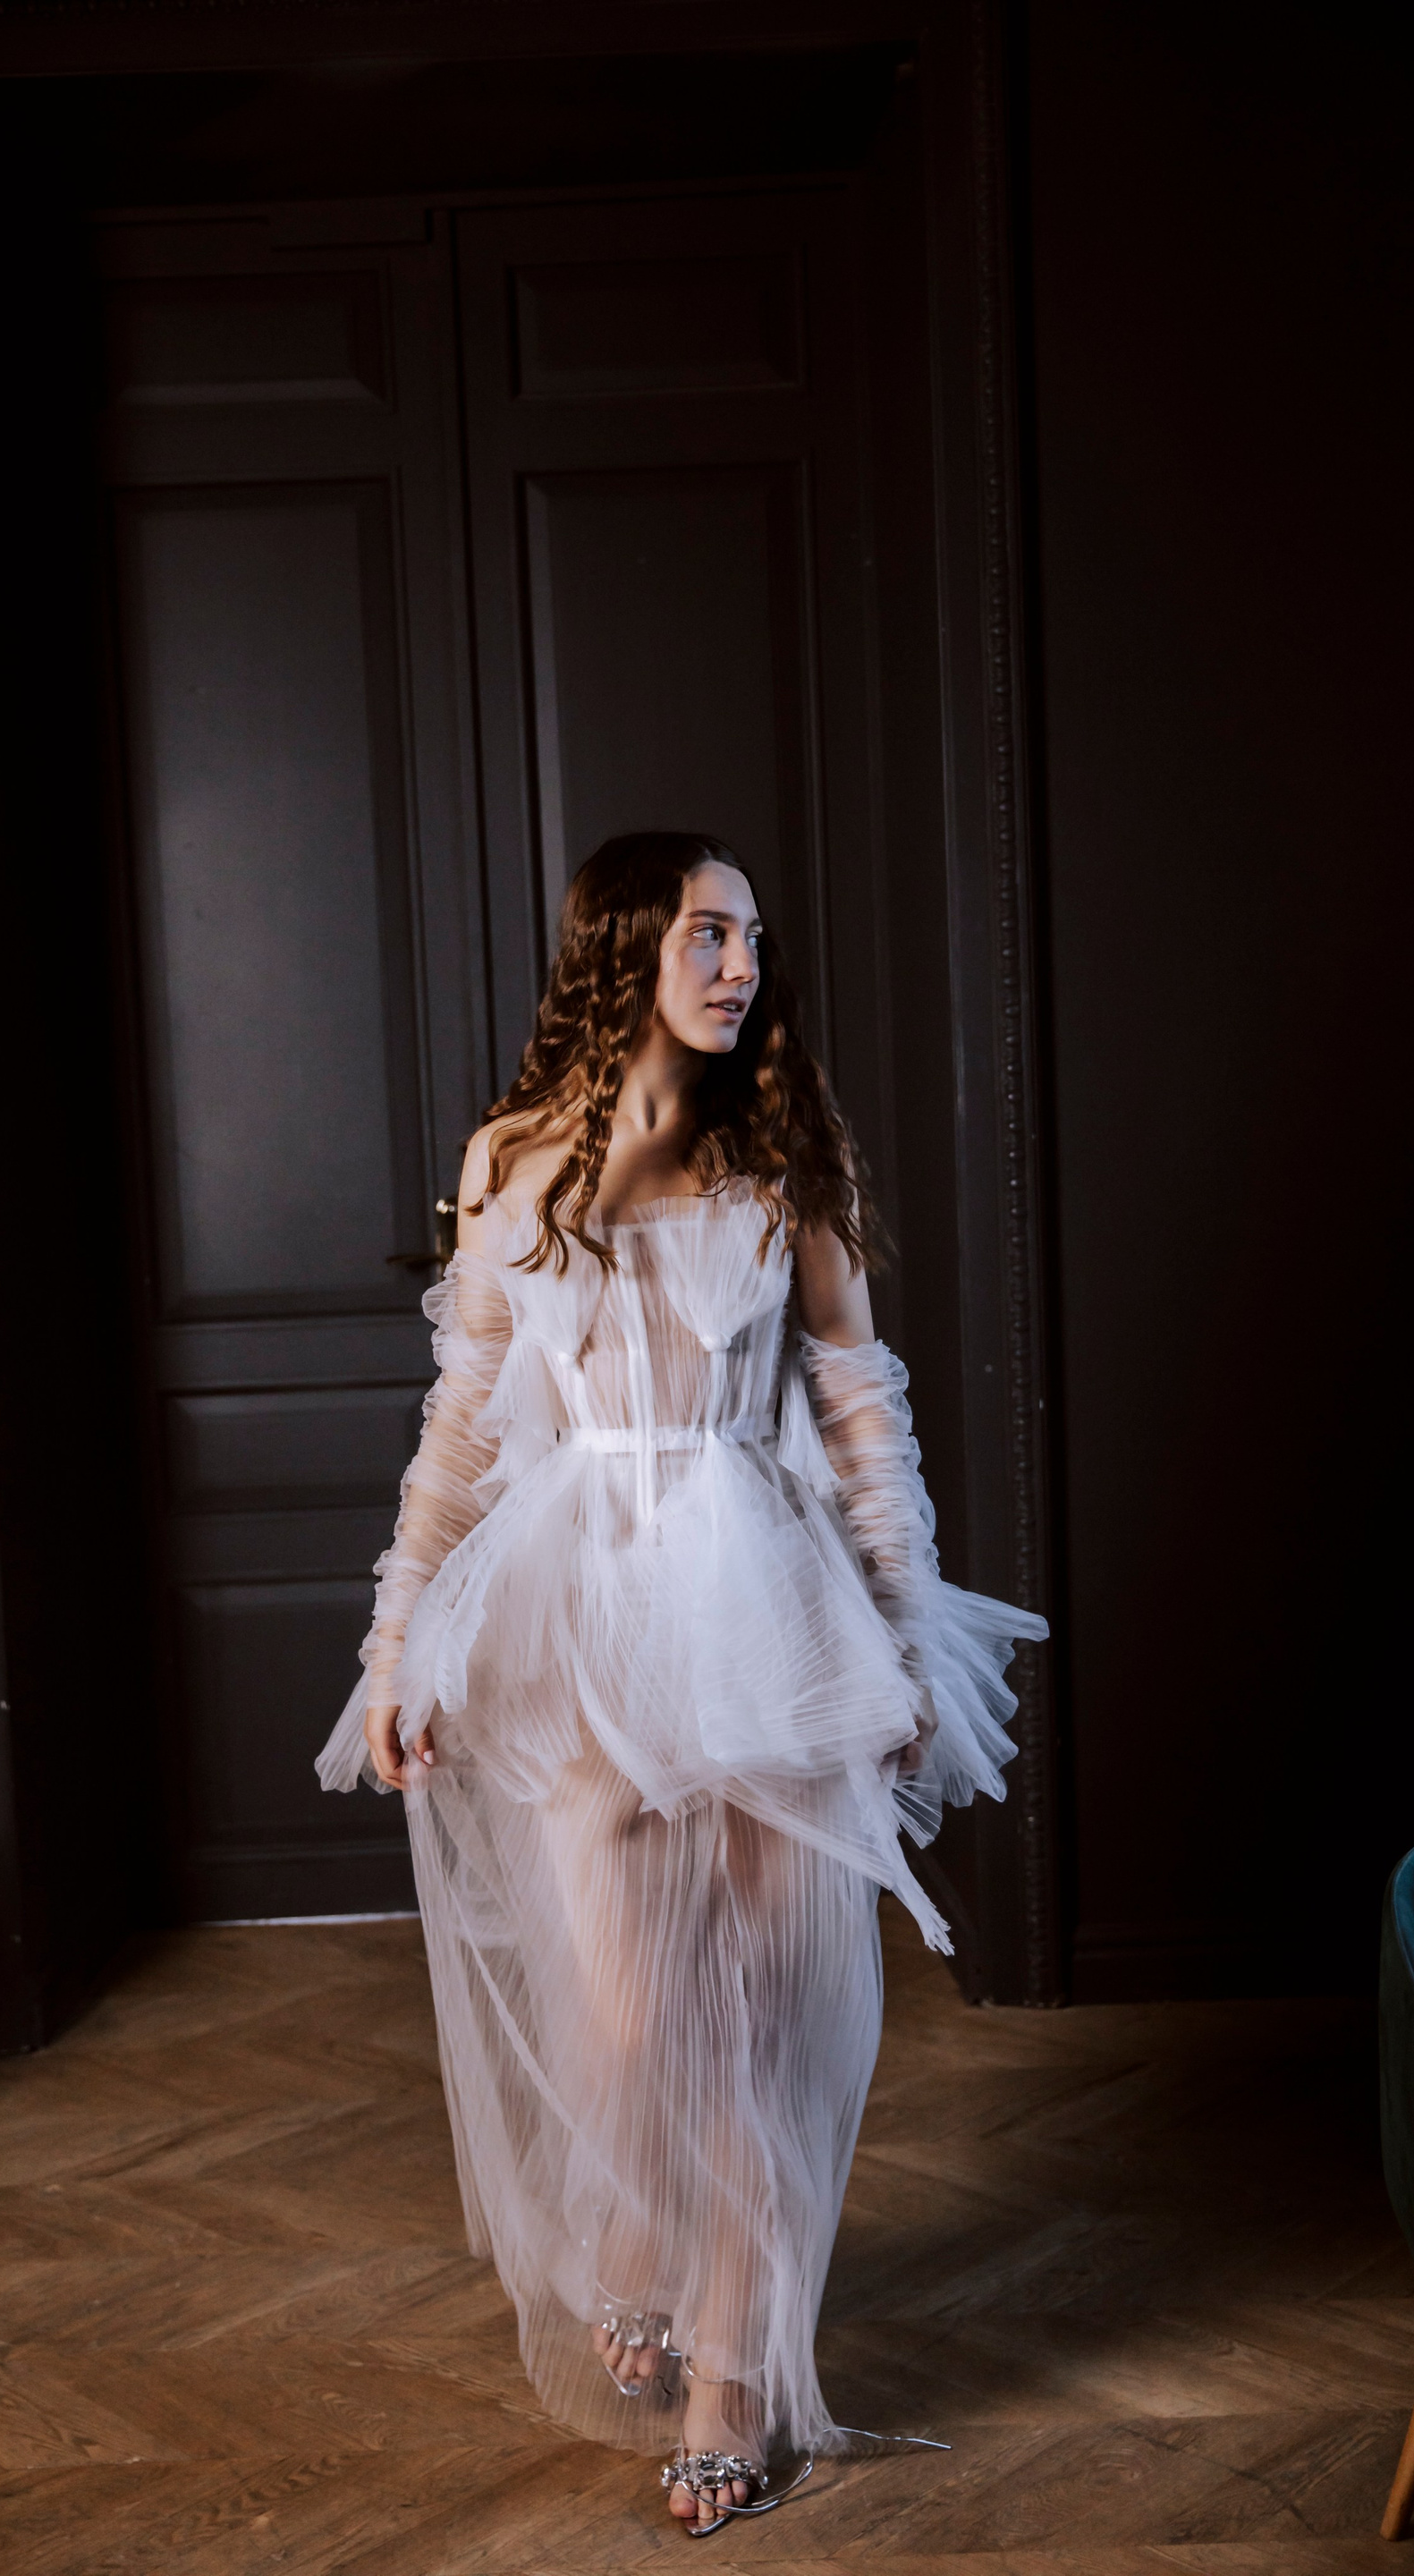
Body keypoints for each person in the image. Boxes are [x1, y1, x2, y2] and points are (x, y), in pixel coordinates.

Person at [318, 831, 1047, 2537]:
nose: (742, 966)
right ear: (624, 949)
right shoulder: (512, 1162)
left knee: (768, 2017)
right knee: (634, 2019)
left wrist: (904, 1632)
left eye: (753, 939)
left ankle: (736, 2380)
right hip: (576, 1621)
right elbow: (461, 1427)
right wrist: (398, 1640)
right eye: (710, 935)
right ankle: (642, 2237)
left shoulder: (785, 1161)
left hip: (763, 1612)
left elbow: (862, 1415)